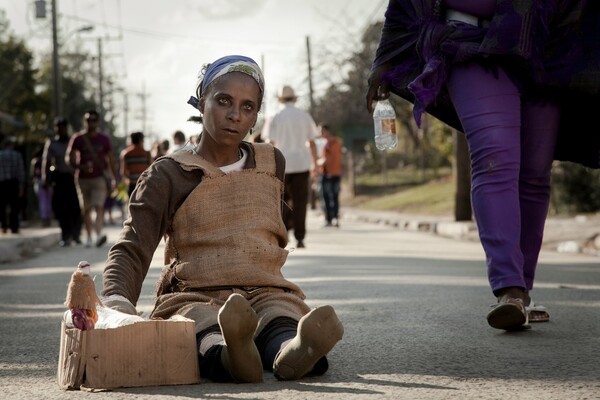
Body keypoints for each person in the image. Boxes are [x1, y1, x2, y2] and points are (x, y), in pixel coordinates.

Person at [101, 55, 344, 383]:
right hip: (195, 293)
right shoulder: (169, 173)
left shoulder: (272, 162)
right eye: (224, 101)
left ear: (256, 116)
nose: (234, 115)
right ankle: (232, 353)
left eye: (247, 107)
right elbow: (133, 245)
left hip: (265, 288)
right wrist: (116, 300)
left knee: (280, 317)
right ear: (202, 102)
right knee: (199, 326)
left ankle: (294, 350)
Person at [366, 0, 600, 331]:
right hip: (468, 44)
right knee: (494, 158)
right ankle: (509, 289)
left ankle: (524, 292)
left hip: (548, 50)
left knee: (534, 174)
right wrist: (383, 59)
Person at [264, 85, 318, 249]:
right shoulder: (304, 116)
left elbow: (270, 144)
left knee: (282, 201)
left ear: (280, 99)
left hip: (282, 165)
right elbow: (312, 142)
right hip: (301, 163)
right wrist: (315, 163)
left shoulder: (275, 117)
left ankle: (283, 234)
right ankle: (300, 237)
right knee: (300, 202)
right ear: (294, 98)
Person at [66, 110, 117, 248]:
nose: (91, 123)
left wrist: (114, 178)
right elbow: (68, 158)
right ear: (85, 121)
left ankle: (99, 233)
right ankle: (88, 237)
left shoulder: (104, 139)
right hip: (82, 179)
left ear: (97, 122)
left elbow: (111, 159)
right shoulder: (78, 138)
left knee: (99, 206)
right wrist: (79, 166)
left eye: (94, 120)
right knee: (86, 209)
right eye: (88, 120)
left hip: (99, 178)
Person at [42, 117, 82, 246]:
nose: (60, 129)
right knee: (61, 209)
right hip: (59, 179)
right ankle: (65, 236)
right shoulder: (52, 143)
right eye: (58, 127)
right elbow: (46, 162)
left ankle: (76, 235)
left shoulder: (73, 141)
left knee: (75, 208)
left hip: (73, 178)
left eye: (63, 127)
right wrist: (45, 177)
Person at [317, 124, 343, 228]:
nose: (321, 134)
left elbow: (327, 159)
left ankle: (335, 218)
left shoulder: (335, 142)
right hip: (325, 173)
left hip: (335, 173)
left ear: (327, 131)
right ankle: (328, 219)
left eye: (322, 131)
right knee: (326, 198)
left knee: (335, 197)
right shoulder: (323, 143)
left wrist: (318, 163)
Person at [0, 134, 25, 234]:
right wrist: (21, 186)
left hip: (1, 183)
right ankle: (14, 226)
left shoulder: (0, 155)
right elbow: (21, 172)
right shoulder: (17, 155)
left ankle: (3, 225)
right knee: (14, 206)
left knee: (2, 205)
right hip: (13, 183)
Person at [119, 131, 152, 198]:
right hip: (144, 185)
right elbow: (151, 170)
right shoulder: (147, 154)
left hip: (132, 185)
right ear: (141, 140)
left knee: (132, 206)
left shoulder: (125, 154)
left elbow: (123, 172)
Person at [30, 145, 53, 227]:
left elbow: (33, 174)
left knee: (43, 201)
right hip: (44, 182)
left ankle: (45, 218)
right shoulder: (42, 161)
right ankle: (46, 218)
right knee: (47, 201)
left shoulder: (36, 161)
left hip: (41, 182)